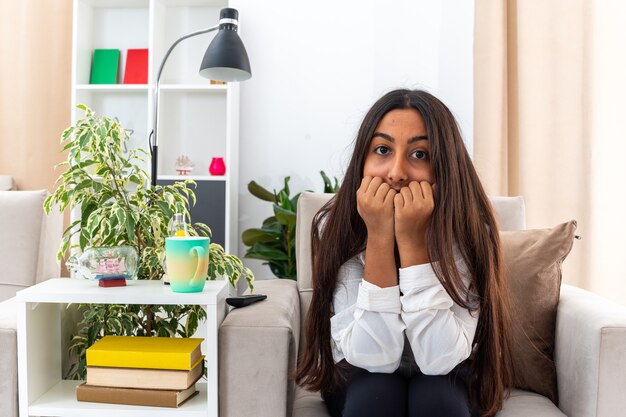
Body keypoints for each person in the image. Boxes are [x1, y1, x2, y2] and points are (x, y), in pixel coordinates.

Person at [294, 89, 514, 417]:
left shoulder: (469, 230)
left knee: (437, 398)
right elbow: (372, 358)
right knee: (376, 395)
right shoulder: (336, 224)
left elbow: (439, 360)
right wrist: (380, 236)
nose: (396, 172)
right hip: (359, 370)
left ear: (444, 167)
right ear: (363, 160)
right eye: (382, 149)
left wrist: (413, 242)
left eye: (420, 154)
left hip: (451, 369)